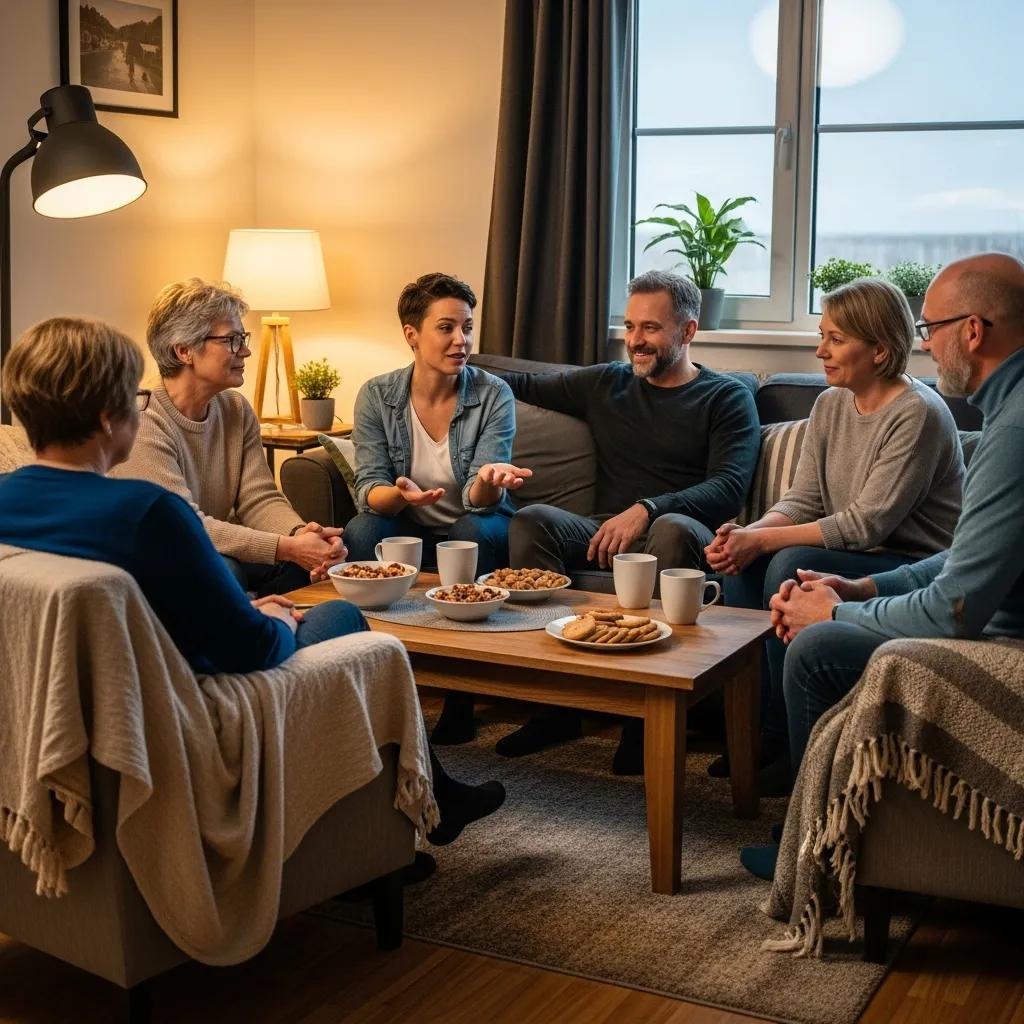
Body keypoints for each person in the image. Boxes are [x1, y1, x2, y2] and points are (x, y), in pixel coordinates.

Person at [0, 316, 505, 869]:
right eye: (133, 397)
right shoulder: (149, 514)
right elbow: (251, 650)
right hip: (184, 707)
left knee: (272, 599)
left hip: (70, 713)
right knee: (346, 624)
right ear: (106, 417)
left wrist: (248, 601)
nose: (140, 408)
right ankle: (363, 849)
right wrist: (277, 621)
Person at [746, 252, 1024, 880]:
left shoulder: (1006, 430)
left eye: (931, 329)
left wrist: (839, 608)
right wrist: (866, 585)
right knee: (785, 568)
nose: (924, 345)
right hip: (952, 591)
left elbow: (957, 606)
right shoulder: (1009, 412)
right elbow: (969, 556)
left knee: (815, 648)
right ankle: (781, 773)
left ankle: (817, 848)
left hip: (1004, 635)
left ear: (974, 331)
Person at [704, 277, 963, 795]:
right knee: (743, 559)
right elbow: (803, 500)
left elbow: (866, 525)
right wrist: (747, 535)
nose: (819, 349)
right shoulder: (829, 404)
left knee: (785, 565)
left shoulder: (918, 415)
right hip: (855, 550)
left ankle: (781, 735)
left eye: (835, 338)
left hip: (905, 564)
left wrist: (765, 544)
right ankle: (756, 732)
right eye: (822, 334)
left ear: (880, 350)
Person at [496, 270, 761, 772]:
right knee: (531, 519)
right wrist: (447, 362)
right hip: (603, 531)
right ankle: (557, 707)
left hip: (684, 532)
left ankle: (648, 718)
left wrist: (648, 507)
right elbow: (521, 383)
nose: (635, 341)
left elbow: (729, 487)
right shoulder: (607, 382)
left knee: (671, 528)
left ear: (687, 331)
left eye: (651, 328)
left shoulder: (725, 397)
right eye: (629, 326)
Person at [344, 272, 532, 745]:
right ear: (412, 334)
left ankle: (459, 696)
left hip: (476, 521)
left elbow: (479, 494)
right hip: (407, 522)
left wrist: (490, 481)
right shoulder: (377, 395)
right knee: (364, 530)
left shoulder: (492, 394)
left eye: (467, 327)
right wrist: (400, 495)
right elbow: (370, 487)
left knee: (470, 528)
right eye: (446, 328)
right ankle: (371, 679)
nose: (461, 340)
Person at [114, 278, 343, 598]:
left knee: (312, 563)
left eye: (243, 337)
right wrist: (289, 547)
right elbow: (184, 527)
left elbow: (258, 497)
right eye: (232, 340)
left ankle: (269, 625)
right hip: (163, 559)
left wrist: (301, 534)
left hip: (214, 549)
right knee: (226, 569)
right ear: (184, 350)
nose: (246, 350)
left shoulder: (235, 408)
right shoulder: (142, 418)